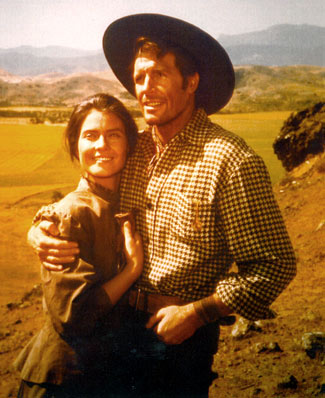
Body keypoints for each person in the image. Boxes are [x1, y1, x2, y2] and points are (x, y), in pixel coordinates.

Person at [28, 14, 297, 397]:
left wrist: (197, 313)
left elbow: (275, 264)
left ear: (191, 82)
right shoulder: (131, 149)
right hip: (115, 327)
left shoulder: (230, 161)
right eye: (139, 78)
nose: (145, 89)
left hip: (179, 340)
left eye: (159, 75)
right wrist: (39, 228)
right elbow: (86, 194)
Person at [14, 93, 143, 397]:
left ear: (129, 144)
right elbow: (75, 317)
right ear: (76, 146)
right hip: (63, 382)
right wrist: (132, 269)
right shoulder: (71, 213)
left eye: (114, 135)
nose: (102, 145)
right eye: (90, 135)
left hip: (102, 374)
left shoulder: (121, 202)